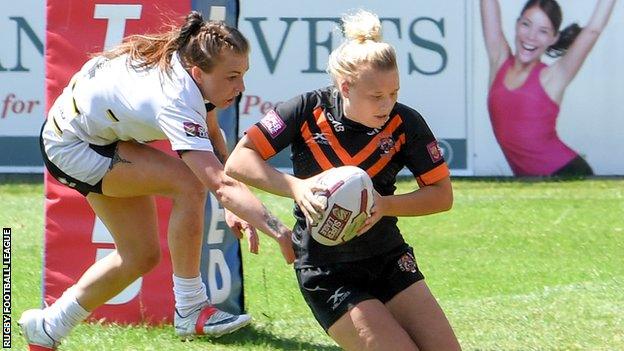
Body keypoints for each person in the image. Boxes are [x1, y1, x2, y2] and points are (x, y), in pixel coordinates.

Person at [19, 11, 295, 350]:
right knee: (189, 183)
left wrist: (236, 208)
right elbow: (218, 184)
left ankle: (47, 326)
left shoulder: (194, 73)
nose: (241, 88)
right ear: (198, 73)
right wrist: (280, 232)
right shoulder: (176, 97)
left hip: (87, 133)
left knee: (140, 255)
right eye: (233, 77)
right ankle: (191, 308)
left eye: (244, 75)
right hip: (71, 147)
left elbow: (211, 134)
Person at [225, 10, 461, 351]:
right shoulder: (307, 110)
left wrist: (384, 205)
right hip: (326, 269)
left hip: (387, 257)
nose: (387, 104)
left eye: (394, 93)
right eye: (376, 96)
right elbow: (238, 161)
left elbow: (442, 196)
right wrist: (297, 187)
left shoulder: (405, 123)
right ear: (346, 86)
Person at [481, 0, 616, 176]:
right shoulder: (499, 59)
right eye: (526, 25)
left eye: (543, 31)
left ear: (554, 38)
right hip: (531, 183)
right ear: (517, 24)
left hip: (568, 174)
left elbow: (593, 30)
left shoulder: (554, 76)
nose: (531, 36)